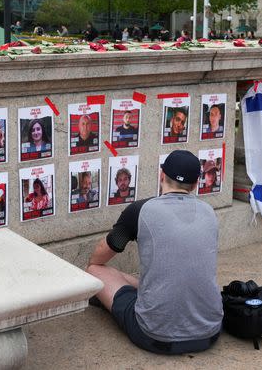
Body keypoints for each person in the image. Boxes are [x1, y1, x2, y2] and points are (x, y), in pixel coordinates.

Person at [86, 150, 223, 355]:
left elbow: (100, 256)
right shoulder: (209, 213)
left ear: (161, 175)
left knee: (94, 271)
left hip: (153, 336)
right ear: (195, 184)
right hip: (209, 333)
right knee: (145, 278)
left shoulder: (140, 210)